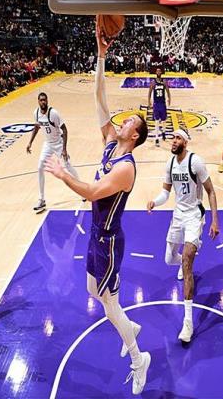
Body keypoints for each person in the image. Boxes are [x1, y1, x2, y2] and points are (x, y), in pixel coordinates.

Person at [44, 24, 151, 395]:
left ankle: (139, 358)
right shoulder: (109, 143)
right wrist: (101, 54)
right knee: (94, 290)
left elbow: (91, 192)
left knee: (109, 304)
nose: (122, 119)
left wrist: (63, 175)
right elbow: (98, 97)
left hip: (108, 241)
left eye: (129, 121)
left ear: (134, 135)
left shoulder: (126, 168)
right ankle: (129, 327)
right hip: (95, 236)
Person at [147, 129, 219, 343]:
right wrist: (155, 202)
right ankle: (183, 262)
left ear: (185, 142)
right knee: (169, 258)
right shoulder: (170, 163)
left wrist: (215, 220)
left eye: (178, 138)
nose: (174, 140)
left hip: (194, 215)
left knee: (187, 259)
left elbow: (211, 191)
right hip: (178, 215)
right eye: (173, 138)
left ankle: (188, 323)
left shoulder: (196, 162)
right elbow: (165, 193)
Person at [26, 92, 79, 213]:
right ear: (38, 101)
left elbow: (64, 130)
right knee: (40, 167)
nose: (43, 102)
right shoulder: (36, 113)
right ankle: (41, 199)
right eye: (41, 100)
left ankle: (82, 190)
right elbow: (36, 127)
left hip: (59, 143)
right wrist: (30, 142)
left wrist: (64, 149)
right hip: (48, 144)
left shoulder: (53, 113)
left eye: (44, 100)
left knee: (68, 165)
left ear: (47, 100)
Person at [148, 68, 171, 147]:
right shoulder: (153, 82)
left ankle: (163, 132)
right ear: (156, 72)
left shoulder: (164, 81)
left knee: (164, 120)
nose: (158, 72)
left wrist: (169, 98)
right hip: (156, 104)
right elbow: (149, 92)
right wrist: (149, 101)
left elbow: (168, 91)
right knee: (157, 121)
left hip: (163, 103)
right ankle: (157, 137)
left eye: (159, 71)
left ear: (161, 72)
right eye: (157, 71)